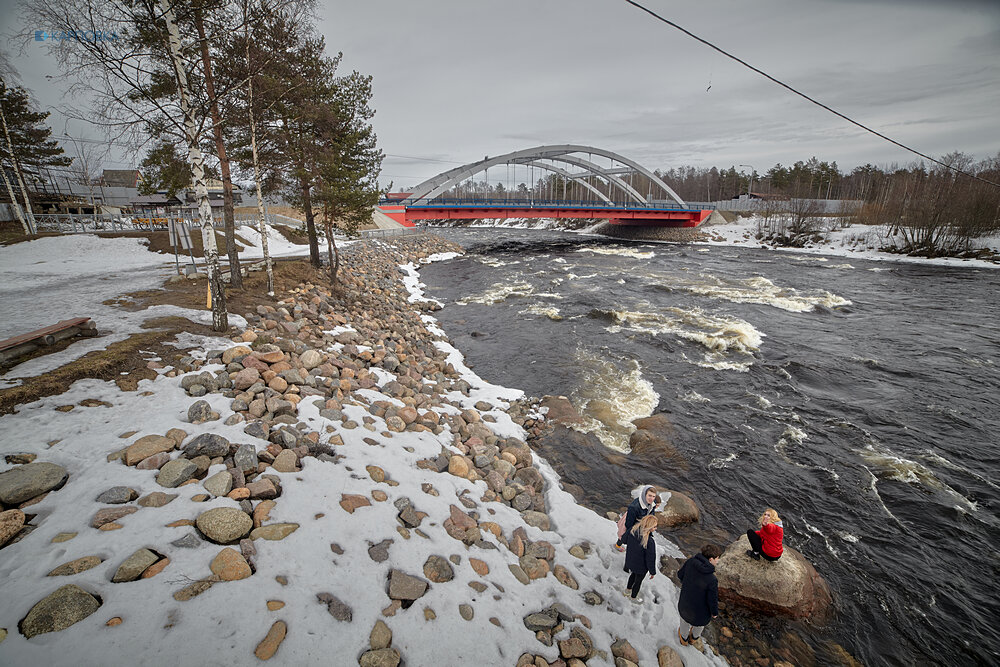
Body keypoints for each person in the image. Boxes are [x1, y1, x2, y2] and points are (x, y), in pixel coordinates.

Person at [677, 544, 722, 651]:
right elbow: (712, 599)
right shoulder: (712, 579)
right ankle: (693, 639)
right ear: (711, 559)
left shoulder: (691, 562)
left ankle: (683, 639)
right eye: (717, 559)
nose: (718, 561)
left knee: (684, 622)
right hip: (700, 611)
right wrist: (714, 613)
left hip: (685, 603)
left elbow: (680, 575)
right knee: (699, 626)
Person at [622, 514, 659, 603]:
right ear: (649, 527)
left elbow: (624, 540)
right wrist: (652, 571)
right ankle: (633, 597)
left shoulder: (633, 530)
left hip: (631, 560)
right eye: (654, 527)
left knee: (632, 575)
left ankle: (627, 590)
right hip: (641, 567)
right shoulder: (649, 542)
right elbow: (650, 558)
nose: (656, 528)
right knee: (638, 582)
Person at [614, 485, 659, 552]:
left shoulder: (652, 503)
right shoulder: (634, 507)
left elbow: (651, 514)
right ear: (644, 495)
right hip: (633, 523)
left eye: (653, 496)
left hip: (642, 523)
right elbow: (628, 524)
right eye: (649, 496)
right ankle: (618, 546)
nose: (652, 499)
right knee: (623, 535)